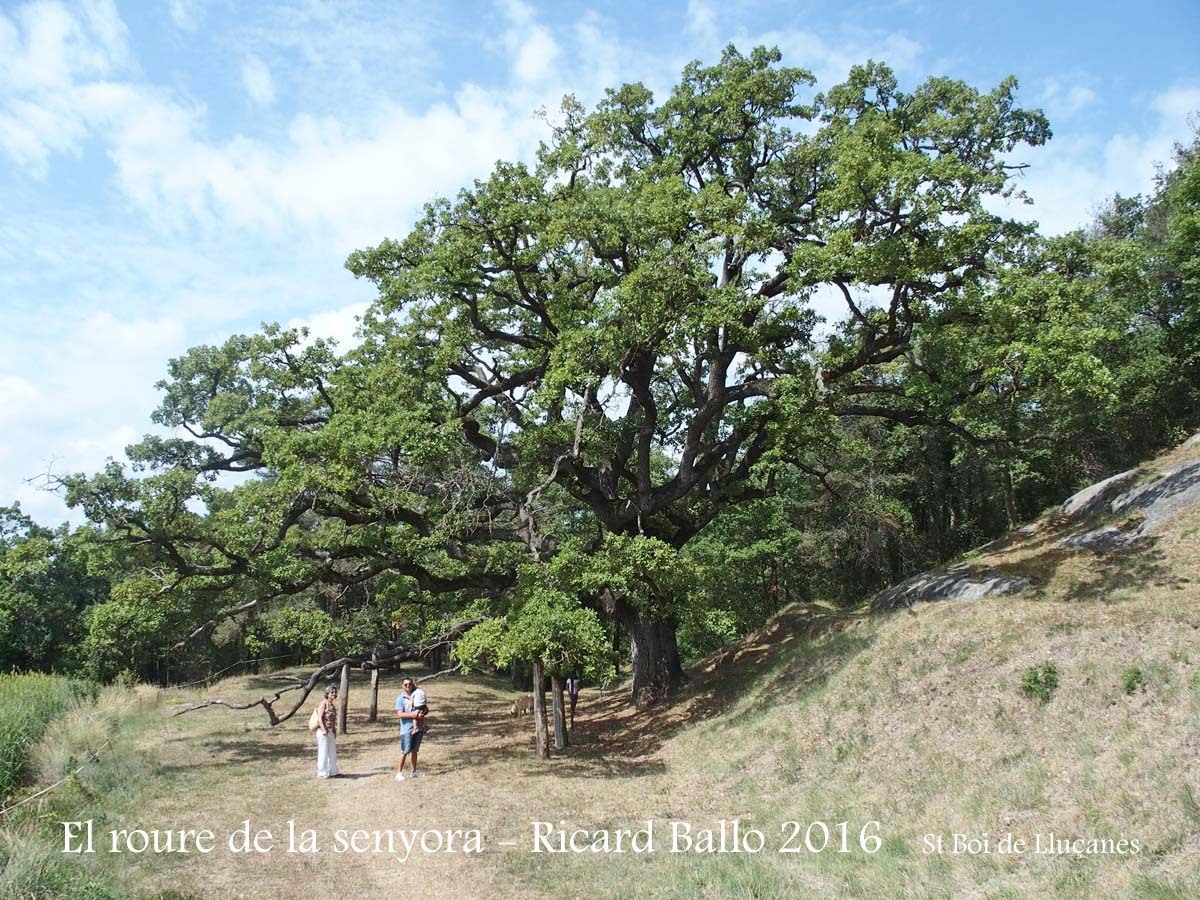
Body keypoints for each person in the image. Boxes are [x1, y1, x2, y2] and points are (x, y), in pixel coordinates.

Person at [395, 677, 426, 780]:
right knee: (405, 750)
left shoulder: (416, 695)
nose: (408, 686)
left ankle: (414, 772)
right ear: (402, 686)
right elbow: (400, 714)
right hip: (407, 729)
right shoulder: (400, 698)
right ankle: (399, 773)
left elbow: (425, 709)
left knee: (414, 751)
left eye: (410, 684)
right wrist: (413, 715)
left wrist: (423, 712)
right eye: (406, 684)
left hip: (419, 727)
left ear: (412, 685)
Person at [315, 684, 341, 779]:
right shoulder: (323, 704)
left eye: (335, 692)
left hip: (330, 731)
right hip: (323, 732)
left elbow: (333, 720)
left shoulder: (332, 705)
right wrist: (323, 729)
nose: (334, 694)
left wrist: (333, 730)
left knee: (332, 751)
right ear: (327, 693)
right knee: (323, 751)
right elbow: (320, 718)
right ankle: (322, 772)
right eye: (332, 692)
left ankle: (333, 771)